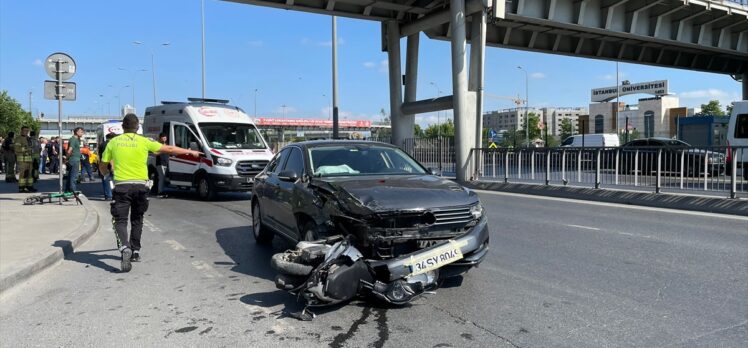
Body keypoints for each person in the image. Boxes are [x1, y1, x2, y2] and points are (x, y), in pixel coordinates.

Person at [99, 114, 201, 272]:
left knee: (120, 220)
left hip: (121, 187)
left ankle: (124, 247)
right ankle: (136, 251)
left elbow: (103, 164)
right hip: (141, 186)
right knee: (137, 219)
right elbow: (170, 149)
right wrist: (190, 152)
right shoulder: (144, 141)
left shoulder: (113, 142)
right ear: (137, 127)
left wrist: (106, 173)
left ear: (123, 127)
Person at [13, 126, 36, 192]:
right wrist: (26, 149)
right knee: (23, 174)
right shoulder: (18, 139)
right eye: (25, 130)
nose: (26, 132)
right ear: (21, 131)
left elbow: (32, 148)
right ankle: (21, 187)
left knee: (30, 174)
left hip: (29, 159)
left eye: (27, 131)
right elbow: (17, 149)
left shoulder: (29, 138)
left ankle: (29, 186)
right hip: (22, 159)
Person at [65, 127, 84, 192]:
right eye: (81, 132)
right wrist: (66, 158)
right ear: (76, 132)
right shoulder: (73, 139)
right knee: (74, 176)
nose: (82, 133)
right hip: (74, 160)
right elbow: (69, 150)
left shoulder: (76, 139)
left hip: (74, 159)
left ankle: (67, 191)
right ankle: (73, 191)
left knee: (70, 176)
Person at [99, 133, 116, 200]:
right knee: (112, 180)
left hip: (103, 165)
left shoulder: (102, 144)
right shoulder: (110, 144)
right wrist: (112, 165)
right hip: (108, 165)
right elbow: (110, 156)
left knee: (105, 180)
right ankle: (110, 195)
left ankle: (107, 195)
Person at [155, 132, 169, 198]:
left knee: (163, 179)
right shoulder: (158, 145)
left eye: (165, 137)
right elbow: (155, 153)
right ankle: (159, 192)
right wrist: (163, 150)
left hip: (166, 163)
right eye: (163, 137)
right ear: (160, 138)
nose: (164, 138)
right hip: (160, 164)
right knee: (161, 178)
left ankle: (162, 191)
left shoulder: (166, 145)